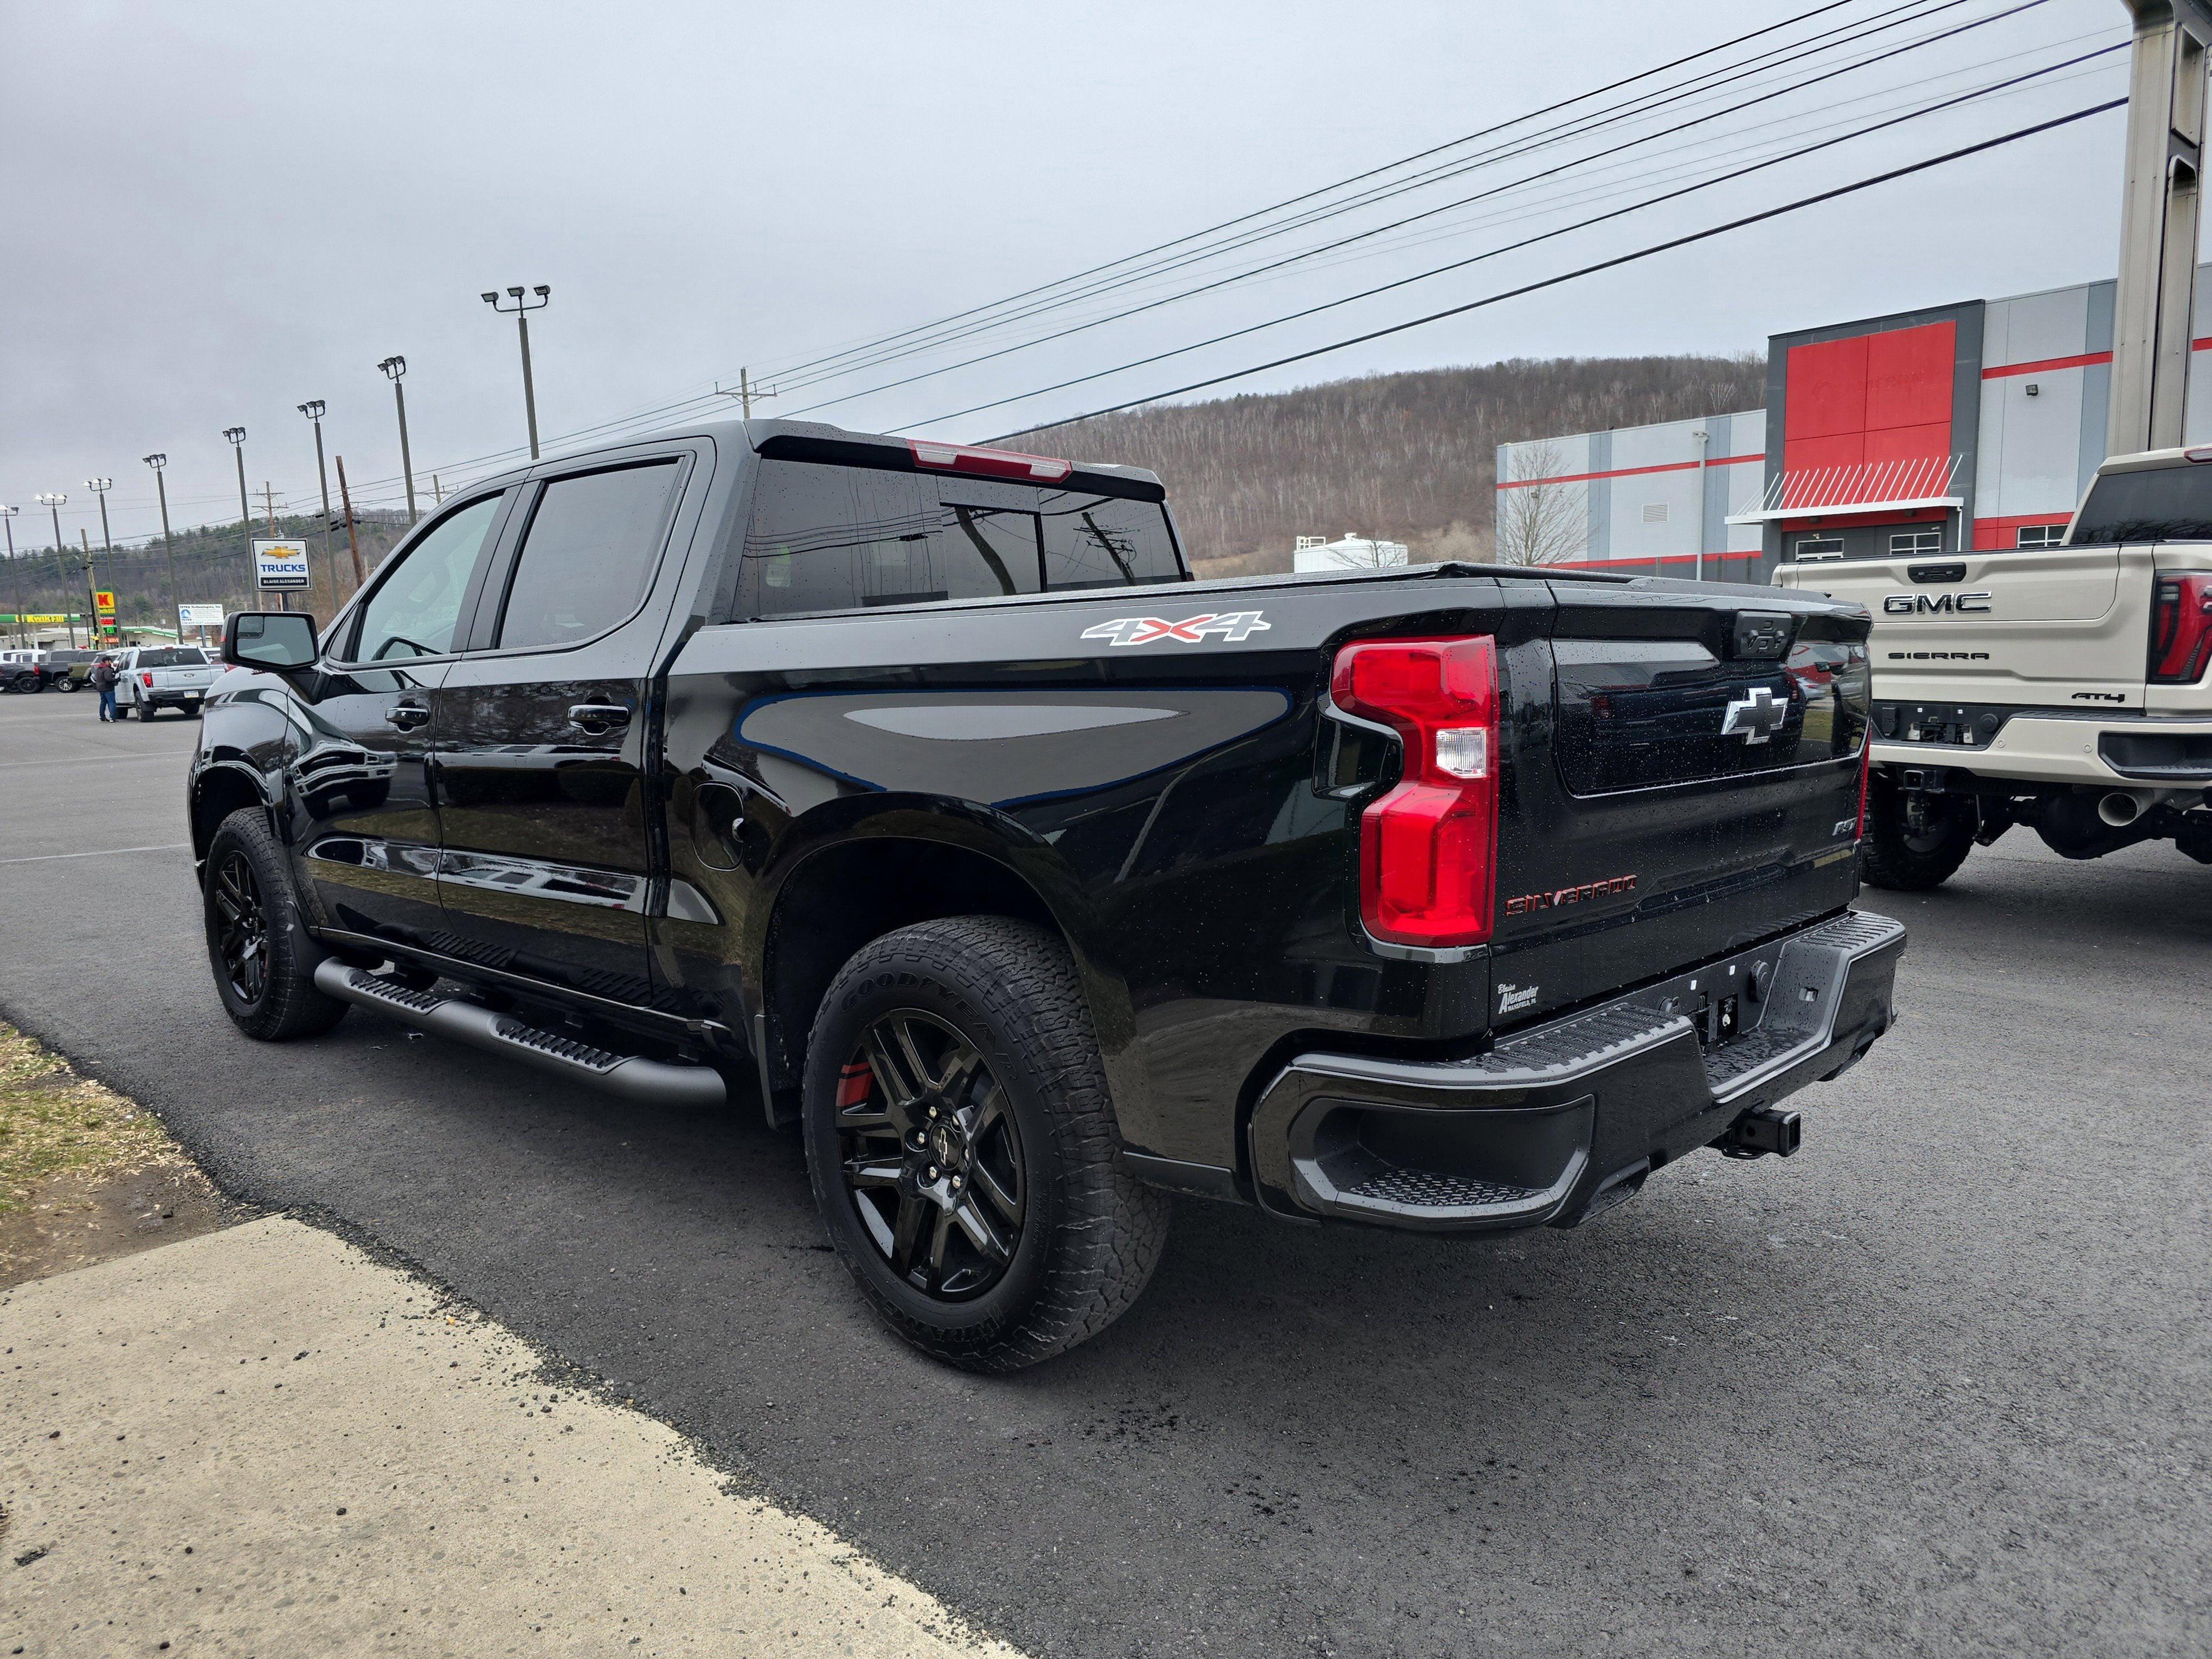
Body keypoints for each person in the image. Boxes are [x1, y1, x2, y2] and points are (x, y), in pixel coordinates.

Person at [90, 653, 118, 723]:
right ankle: (112, 718)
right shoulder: (107, 669)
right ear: (107, 662)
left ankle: (102, 717)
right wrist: (117, 680)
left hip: (101, 688)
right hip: (108, 688)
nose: (111, 663)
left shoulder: (99, 668)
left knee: (103, 702)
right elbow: (108, 679)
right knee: (112, 702)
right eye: (110, 661)